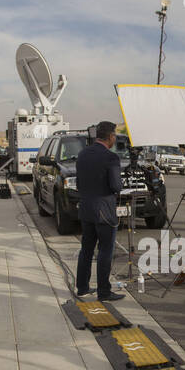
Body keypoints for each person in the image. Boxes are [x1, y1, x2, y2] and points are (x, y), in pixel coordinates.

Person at [75, 121, 125, 302]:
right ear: (110, 137)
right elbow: (116, 186)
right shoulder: (111, 158)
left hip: (86, 209)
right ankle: (104, 291)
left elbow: (79, 184)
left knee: (86, 250)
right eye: (115, 136)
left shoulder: (82, 154)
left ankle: (82, 287)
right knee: (105, 251)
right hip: (104, 211)